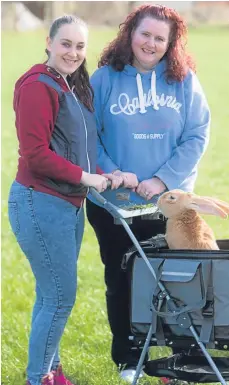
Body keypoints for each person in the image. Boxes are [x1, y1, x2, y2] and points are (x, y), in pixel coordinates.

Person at [86, 4, 211, 383]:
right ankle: (128, 357)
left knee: (175, 279)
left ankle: (178, 357)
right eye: (145, 34)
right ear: (130, 33)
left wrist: (163, 179)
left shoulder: (184, 80)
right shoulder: (104, 79)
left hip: (169, 203)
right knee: (121, 277)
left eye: (160, 38)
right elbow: (88, 137)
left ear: (171, 44)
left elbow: (196, 135)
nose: (151, 43)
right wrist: (115, 174)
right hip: (114, 202)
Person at [8, 15, 122, 385]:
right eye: (66, 44)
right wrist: (87, 178)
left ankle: (51, 372)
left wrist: (107, 172)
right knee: (59, 297)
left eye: (80, 46)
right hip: (40, 203)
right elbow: (36, 154)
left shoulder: (70, 84)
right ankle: (38, 377)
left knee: (50, 295)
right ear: (49, 42)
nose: (73, 53)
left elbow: (83, 147)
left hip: (68, 205)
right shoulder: (38, 86)